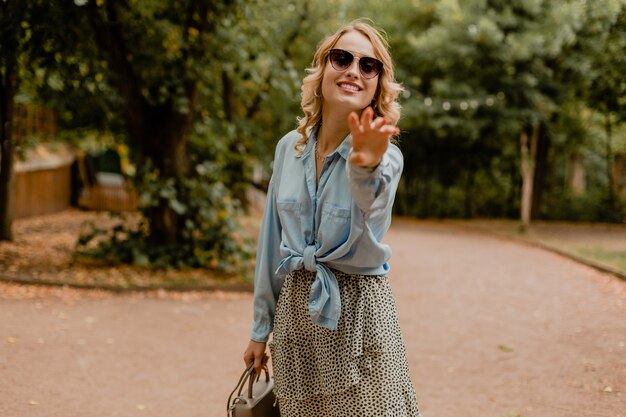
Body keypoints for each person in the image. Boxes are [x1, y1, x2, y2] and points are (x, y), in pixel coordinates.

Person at [243, 20, 422, 417]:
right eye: (342, 58)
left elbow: (371, 206)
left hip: (361, 318)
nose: (354, 70)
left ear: (377, 83)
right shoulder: (288, 148)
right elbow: (271, 245)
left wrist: (364, 165)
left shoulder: (385, 156)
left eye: (368, 65)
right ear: (322, 69)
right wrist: (260, 329)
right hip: (296, 320)